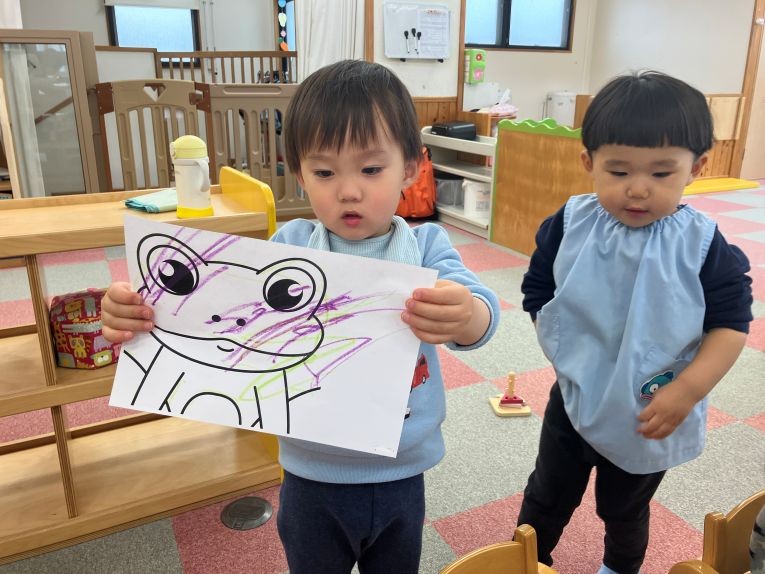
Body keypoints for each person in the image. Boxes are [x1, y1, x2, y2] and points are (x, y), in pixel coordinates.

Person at [100, 59, 500, 574]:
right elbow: (216, 311)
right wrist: (138, 311)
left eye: (371, 169)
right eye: (325, 172)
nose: (348, 190)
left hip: (402, 470)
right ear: (300, 174)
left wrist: (465, 314)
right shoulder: (288, 247)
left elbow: (482, 314)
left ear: (410, 168)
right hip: (311, 471)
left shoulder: (426, 247)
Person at [517, 70, 753, 574]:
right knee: (546, 494)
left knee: (624, 510)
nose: (638, 190)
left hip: (652, 407)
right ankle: (525, 562)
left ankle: (619, 568)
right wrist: (561, 347)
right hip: (576, 395)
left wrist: (688, 389)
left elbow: (732, 325)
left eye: (662, 174)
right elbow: (538, 288)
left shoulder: (702, 244)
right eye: (619, 171)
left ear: (697, 167)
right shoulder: (570, 223)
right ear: (589, 162)